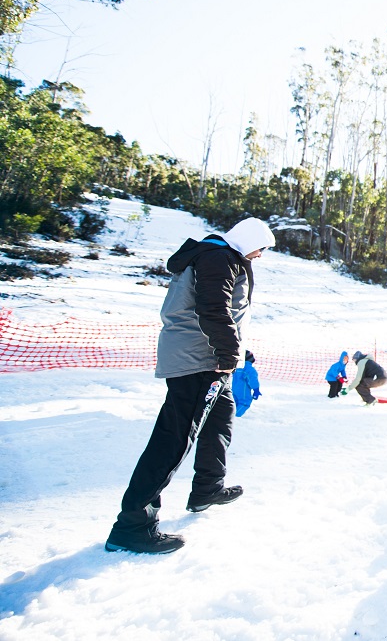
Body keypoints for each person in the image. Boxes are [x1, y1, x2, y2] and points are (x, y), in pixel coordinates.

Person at [105, 217, 275, 555]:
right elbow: (212, 307)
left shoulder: (218, 255)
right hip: (201, 360)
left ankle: (207, 487)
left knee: (221, 415)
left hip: (208, 354)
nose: (260, 256)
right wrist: (227, 350)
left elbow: (223, 309)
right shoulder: (219, 257)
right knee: (175, 437)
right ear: (248, 240)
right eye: (261, 248)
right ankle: (133, 524)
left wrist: (237, 347)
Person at [231, 351, 262, 417]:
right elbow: (253, 380)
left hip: (233, 389)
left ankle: (230, 415)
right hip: (242, 390)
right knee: (244, 403)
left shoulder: (236, 367)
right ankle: (234, 416)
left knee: (234, 402)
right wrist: (256, 390)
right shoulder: (249, 369)